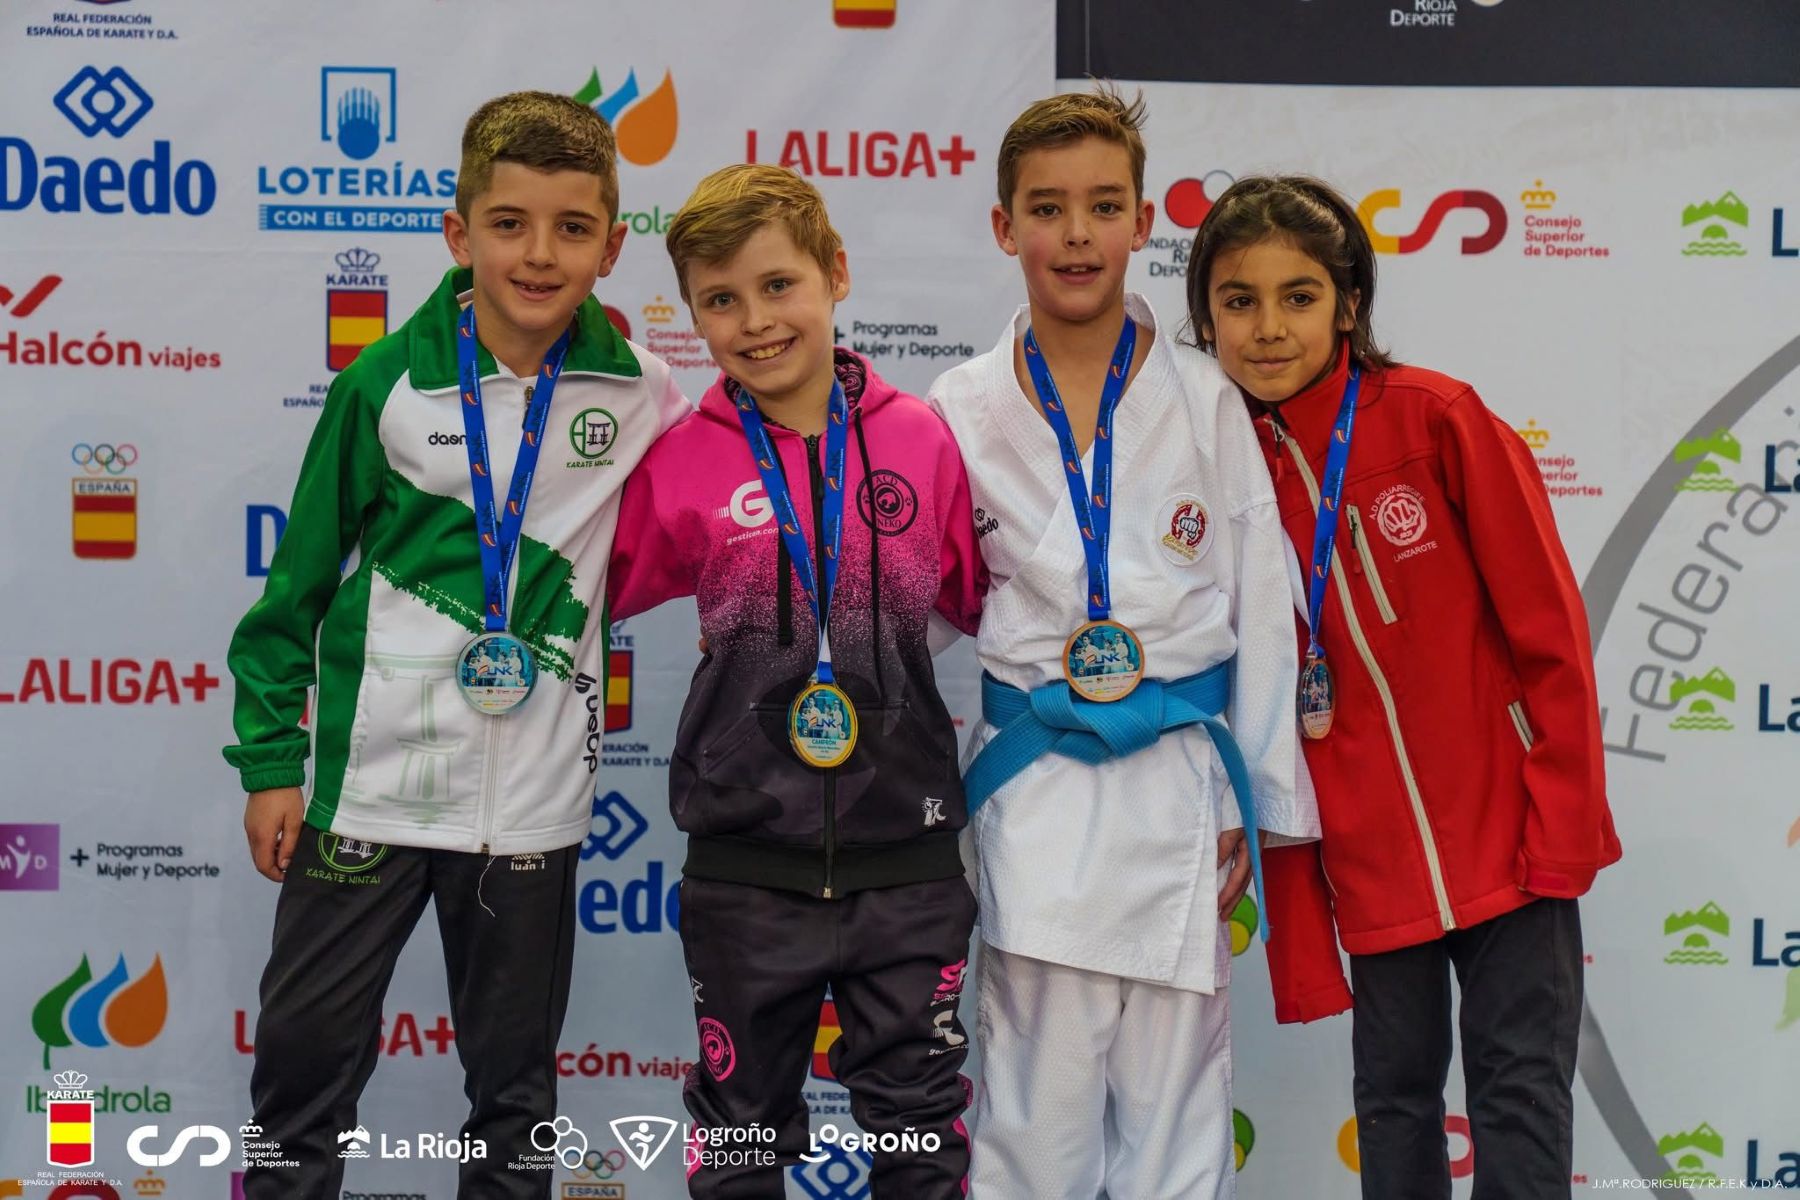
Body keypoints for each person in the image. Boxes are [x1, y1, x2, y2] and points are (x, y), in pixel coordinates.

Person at [222, 91, 688, 1200]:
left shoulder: (641, 390)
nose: (540, 253)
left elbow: (743, 466)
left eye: (574, 228)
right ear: (457, 233)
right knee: (301, 1075)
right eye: (510, 223)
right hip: (366, 794)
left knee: (515, 1100)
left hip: (527, 809)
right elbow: (290, 598)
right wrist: (271, 764)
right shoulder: (383, 385)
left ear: (614, 246)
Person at [1186, 174, 1621, 1200]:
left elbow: (1549, 631)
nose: (1268, 328)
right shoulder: (1214, 467)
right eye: (1239, 300)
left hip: (1508, 837)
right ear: (1205, 315)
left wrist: (1560, 818)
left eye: (1298, 296)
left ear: (1349, 304)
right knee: (1392, 1098)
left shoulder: (1435, 418)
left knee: (1519, 1093)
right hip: (1369, 857)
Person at [928, 88, 1317, 1199]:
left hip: (1181, 795)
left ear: (1145, 220)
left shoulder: (1204, 396)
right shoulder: (957, 406)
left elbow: (1260, 598)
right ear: (1005, 229)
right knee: (1028, 1119)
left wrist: (1257, 800)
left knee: (1177, 1124)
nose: (1079, 234)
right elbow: (929, 601)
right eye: (1047, 209)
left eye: (1105, 206)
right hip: (1036, 792)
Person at [606, 163, 986, 1198]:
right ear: (692, 316)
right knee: (737, 1138)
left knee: (919, 1133)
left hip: (907, 862)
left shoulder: (922, 439)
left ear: (836, 274)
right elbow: (593, 587)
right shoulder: (681, 457)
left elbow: (962, 602)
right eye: (720, 301)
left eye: (779, 286)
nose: (754, 321)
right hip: (744, 867)